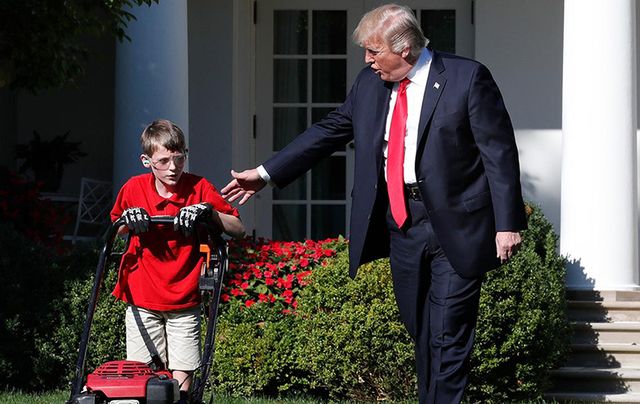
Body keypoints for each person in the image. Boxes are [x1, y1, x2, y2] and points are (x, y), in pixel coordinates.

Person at [222, 4, 526, 403]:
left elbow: (498, 153)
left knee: (447, 334)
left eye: (373, 51)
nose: (367, 60)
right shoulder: (369, 84)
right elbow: (329, 130)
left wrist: (508, 223)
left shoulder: (466, 78)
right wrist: (265, 174)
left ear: (405, 49)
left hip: (457, 224)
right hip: (402, 223)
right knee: (420, 329)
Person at [111, 119, 245, 401]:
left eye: (179, 158)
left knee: (183, 376)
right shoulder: (134, 188)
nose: (173, 167)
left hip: (185, 295)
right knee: (142, 375)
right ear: (146, 161)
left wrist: (208, 213)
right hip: (142, 294)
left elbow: (237, 228)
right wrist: (129, 220)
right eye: (163, 161)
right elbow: (116, 227)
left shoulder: (198, 187)